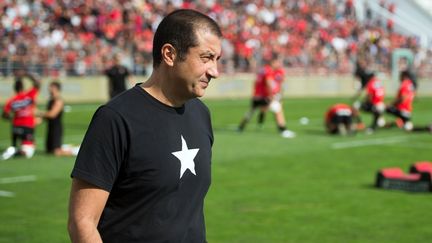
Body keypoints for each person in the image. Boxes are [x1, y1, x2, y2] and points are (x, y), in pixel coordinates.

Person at [68, 9, 222, 243]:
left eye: (217, 60)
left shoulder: (201, 114)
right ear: (169, 54)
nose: (215, 72)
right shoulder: (115, 118)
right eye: (206, 57)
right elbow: (82, 222)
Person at [237, 56, 295, 138]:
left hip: (257, 95)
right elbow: (268, 83)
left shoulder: (263, 69)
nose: (279, 64)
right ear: (273, 62)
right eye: (277, 62)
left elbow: (256, 82)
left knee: (251, 111)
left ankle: (241, 127)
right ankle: (283, 130)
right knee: (278, 109)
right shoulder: (269, 70)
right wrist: (271, 96)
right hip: (264, 96)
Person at [1, 72, 40, 160]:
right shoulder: (29, 95)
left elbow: (4, 114)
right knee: (28, 151)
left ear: (15, 88)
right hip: (27, 126)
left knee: (15, 145)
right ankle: (13, 152)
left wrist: (11, 118)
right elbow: (37, 84)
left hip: (15, 126)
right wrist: (28, 75)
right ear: (23, 87)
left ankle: (11, 150)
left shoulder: (12, 100)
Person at [40, 81, 79, 156]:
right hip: (50, 127)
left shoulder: (59, 100)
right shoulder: (50, 100)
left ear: (56, 88)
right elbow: (47, 115)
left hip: (56, 128)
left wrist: (38, 112)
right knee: (49, 151)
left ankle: (76, 151)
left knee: (57, 152)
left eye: (51, 87)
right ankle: (69, 147)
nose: (49, 89)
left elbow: (52, 114)